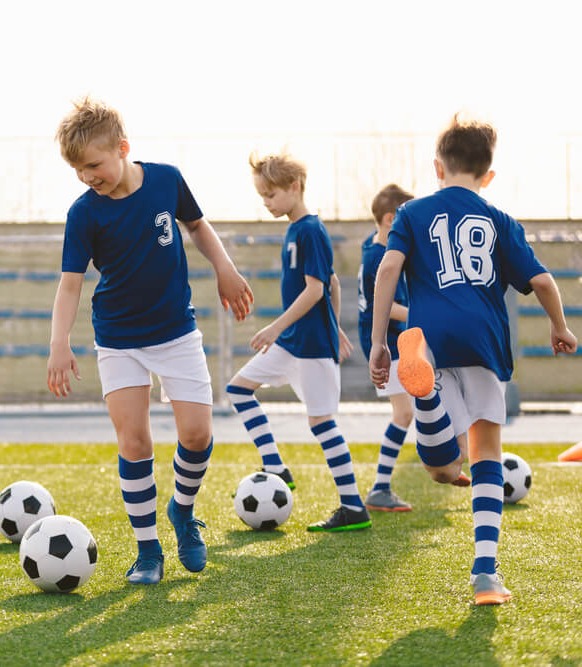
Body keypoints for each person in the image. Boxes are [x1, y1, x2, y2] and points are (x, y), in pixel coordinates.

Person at [369, 114, 577, 605]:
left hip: (430, 339)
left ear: (437, 168)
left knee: (442, 470)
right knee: (485, 456)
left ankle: (427, 396)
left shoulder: (412, 213)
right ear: (489, 176)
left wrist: (380, 341)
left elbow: (388, 269)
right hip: (484, 342)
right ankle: (485, 574)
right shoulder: (501, 220)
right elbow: (542, 281)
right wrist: (560, 327)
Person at [46, 97, 253, 584]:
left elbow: (197, 226)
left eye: (94, 165)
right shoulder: (84, 214)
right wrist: (59, 342)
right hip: (118, 337)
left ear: (122, 148)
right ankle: (147, 551)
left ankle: (182, 510)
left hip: (176, 331)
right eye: (78, 170)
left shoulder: (166, 179)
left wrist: (224, 268)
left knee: (197, 435)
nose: (87, 177)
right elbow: (70, 284)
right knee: (135, 441)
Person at [225, 152, 371, 533]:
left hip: (308, 344)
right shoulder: (294, 230)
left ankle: (353, 507)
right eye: (262, 196)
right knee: (238, 389)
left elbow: (317, 288)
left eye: (271, 194)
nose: (266, 202)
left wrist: (276, 328)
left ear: (294, 187)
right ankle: (276, 466)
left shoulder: (310, 230)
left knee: (322, 423)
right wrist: (334, 325)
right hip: (294, 340)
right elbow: (332, 284)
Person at [358, 184, 417, 511]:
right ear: (391, 219)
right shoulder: (378, 257)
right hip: (387, 343)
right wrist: (422, 314)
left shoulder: (375, 243)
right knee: (404, 413)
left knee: (418, 405)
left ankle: (451, 456)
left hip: (397, 340)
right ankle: (380, 487)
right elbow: (386, 306)